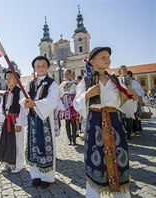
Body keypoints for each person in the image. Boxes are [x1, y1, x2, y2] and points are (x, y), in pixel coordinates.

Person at [73, 47, 138, 197]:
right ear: (92, 61)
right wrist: (87, 96)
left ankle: (120, 194)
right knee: (95, 158)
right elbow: (77, 103)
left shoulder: (116, 81)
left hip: (114, 122)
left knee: (119, 156)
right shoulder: (86, 81)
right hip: (95, 121)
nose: (107, 59)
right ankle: (94, 193)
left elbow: (124, 105)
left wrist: (132, 98)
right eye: (102, 57)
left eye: (108, 56)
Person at [19, 56, 59, 189]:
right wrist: (25, 102)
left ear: (47, 68)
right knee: (33, 146)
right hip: (32, 119)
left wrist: (34, 103)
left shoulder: (52, 83)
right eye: (38, 66)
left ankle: (47, 177)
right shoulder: (29, 83)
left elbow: (52, 100)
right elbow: (22, 98)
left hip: (45, 119)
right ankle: (35, 174)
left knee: (46, 145)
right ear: (34, 69)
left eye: (43, 66)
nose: (40, 68)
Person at [0, 71, 25, 174]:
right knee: (5, 142)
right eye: (6, 78)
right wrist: (1, 122)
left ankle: (18, 164)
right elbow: (2, 107)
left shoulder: (20, 92)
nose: (8, 80)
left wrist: (20, 123)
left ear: (16, 80)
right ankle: (7, 163)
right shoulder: (5, 93)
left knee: (18, 143)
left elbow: (23, 108)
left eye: (10, 77)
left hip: (16, 120)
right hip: (7, 121)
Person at [59, 69, 78, 145]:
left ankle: (74, 139)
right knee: (67, 122)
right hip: (65, 104)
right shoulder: (61, 85)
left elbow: (77, 93)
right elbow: (59, 93)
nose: (66, 75)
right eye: (64, 74)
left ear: (71, 75)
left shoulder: (74, 84)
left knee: (73, 122)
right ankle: (69, 139)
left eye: (67, 74)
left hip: (72, 104)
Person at [118, 65, 134, 140]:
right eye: (123, 69)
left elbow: (131, 88)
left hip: (128, 99)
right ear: (119, 71)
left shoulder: (129, 79)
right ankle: (123, 132)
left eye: (125, 69)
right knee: (121, 118)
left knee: (129, 117)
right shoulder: (117, 79)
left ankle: (128, 133)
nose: (125, 70)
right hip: (120, 100)